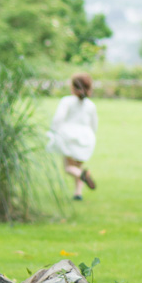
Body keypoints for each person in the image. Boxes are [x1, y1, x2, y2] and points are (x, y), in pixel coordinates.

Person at [49, 72, 98, 200]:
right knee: (78, 165)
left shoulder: (67, 101)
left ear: (73, 87)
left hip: (69, 136)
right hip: (86, 137)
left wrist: (53, 131)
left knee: (69, 168)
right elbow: (94, 124)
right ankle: (78, 193)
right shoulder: (91, 105)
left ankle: (82, 174)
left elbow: (58, 118)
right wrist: (91, 136)